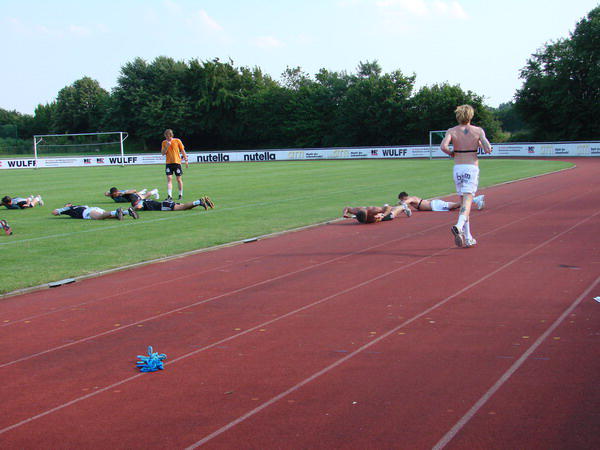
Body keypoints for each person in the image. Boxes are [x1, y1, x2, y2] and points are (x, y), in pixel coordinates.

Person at [440, 104, 492, 248]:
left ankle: (468, 237)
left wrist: (451, 153)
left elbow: (443, 147)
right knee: (468, 200)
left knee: (464, 202)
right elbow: (488, 149)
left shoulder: (451, 131)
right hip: (471, 166)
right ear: (471, 116)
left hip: (458, 167)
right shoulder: (478, 130)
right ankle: (459, 225)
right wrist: (481, 143)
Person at [161, 129, 188, 201]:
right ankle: (169, 195)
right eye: (166, 136)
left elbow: (182, 150)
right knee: (169, 179)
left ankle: (180, 194)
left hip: (177, 163)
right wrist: (166, 146)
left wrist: (186, 160)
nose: (167, 138)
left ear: (171, 135)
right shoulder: (164, 142)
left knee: (178, 179)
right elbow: (163, 153)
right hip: (168, 163)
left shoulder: (177, 141)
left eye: (168, 136)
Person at [398, 192, 485, 213]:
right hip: (435, 205)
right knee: (455, 206)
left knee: (455, 206)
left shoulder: (411, 199)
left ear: (404, 198)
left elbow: (406, 202)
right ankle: (476, 200)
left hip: (435, 205)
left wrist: (402, 203)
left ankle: (476, 199)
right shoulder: (412, 200)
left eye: (402, 199)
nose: (402, 201)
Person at [52, 204, 138, 220]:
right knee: (108, 216)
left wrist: (61, 210)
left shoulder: (68, 208)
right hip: (94, 208)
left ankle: (116, 211)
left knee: (99, 217)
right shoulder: (79, 205)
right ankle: (127, 212)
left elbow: (54, 212)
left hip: (87, 212)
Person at [342, 204, 409, 224]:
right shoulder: (356, 210)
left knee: (392, 214)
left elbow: (387, 208)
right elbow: (346, 208)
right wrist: (344, 214)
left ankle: (403, 207)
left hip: (380, 217)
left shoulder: (373, 210)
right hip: (373, 218)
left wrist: (383, 215)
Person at [138, 196, 214, 212]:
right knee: (186, 207)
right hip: (166, 203)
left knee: (183, 207)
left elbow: (139, 207)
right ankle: (201, 202)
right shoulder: (143, 199)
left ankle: (199, 201)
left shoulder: (141, 203)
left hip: (164, 206)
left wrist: (134, 209)